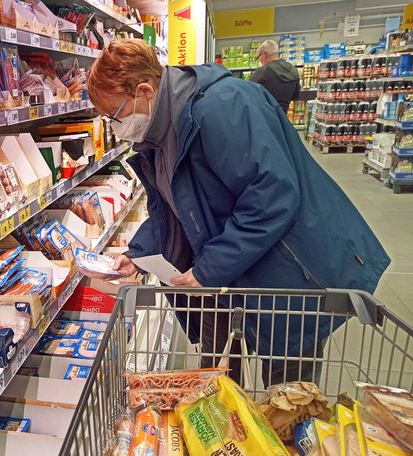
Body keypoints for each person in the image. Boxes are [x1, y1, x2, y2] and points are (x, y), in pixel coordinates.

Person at [86, 39, 390, 385]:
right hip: (231, 272)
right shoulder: (159, 133)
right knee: (220, 381)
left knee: (287, 393)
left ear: (144, 91)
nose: (114, 127)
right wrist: (137, 255)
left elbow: (272, 196)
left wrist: (209, 269)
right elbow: (173, 210)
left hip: (287, 271)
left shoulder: (224, 107)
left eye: (116, 115)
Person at [250, 40, 301, 112]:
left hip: (264, 117)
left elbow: (248, 93)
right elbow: (296, 95)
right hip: (283, 118)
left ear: (263, 54)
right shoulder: (293, 69)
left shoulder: (262, 71)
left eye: (258, 56)